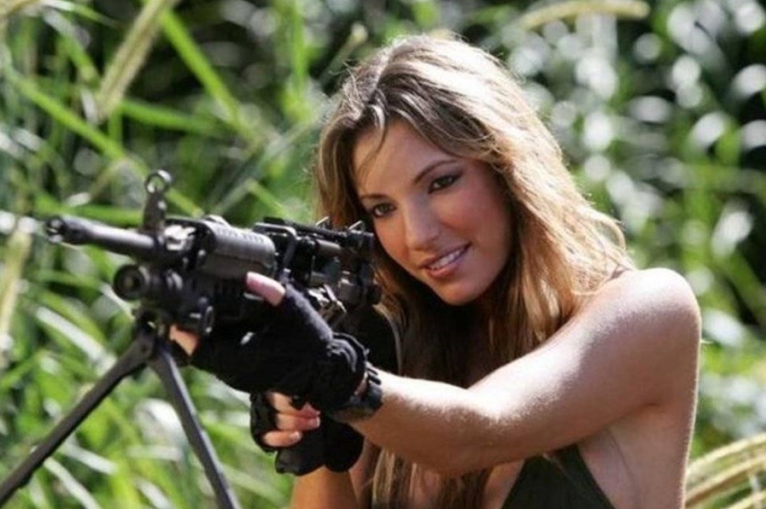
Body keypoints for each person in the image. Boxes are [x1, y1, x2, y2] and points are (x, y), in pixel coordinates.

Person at [170, 33, 701, 509]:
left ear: (506, 169)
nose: (417, 235)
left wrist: (330, 374)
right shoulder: (387, 355)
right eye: (382, 209)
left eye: (441, 182)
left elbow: (478, 430)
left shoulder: (651, 312)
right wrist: (314, 435)